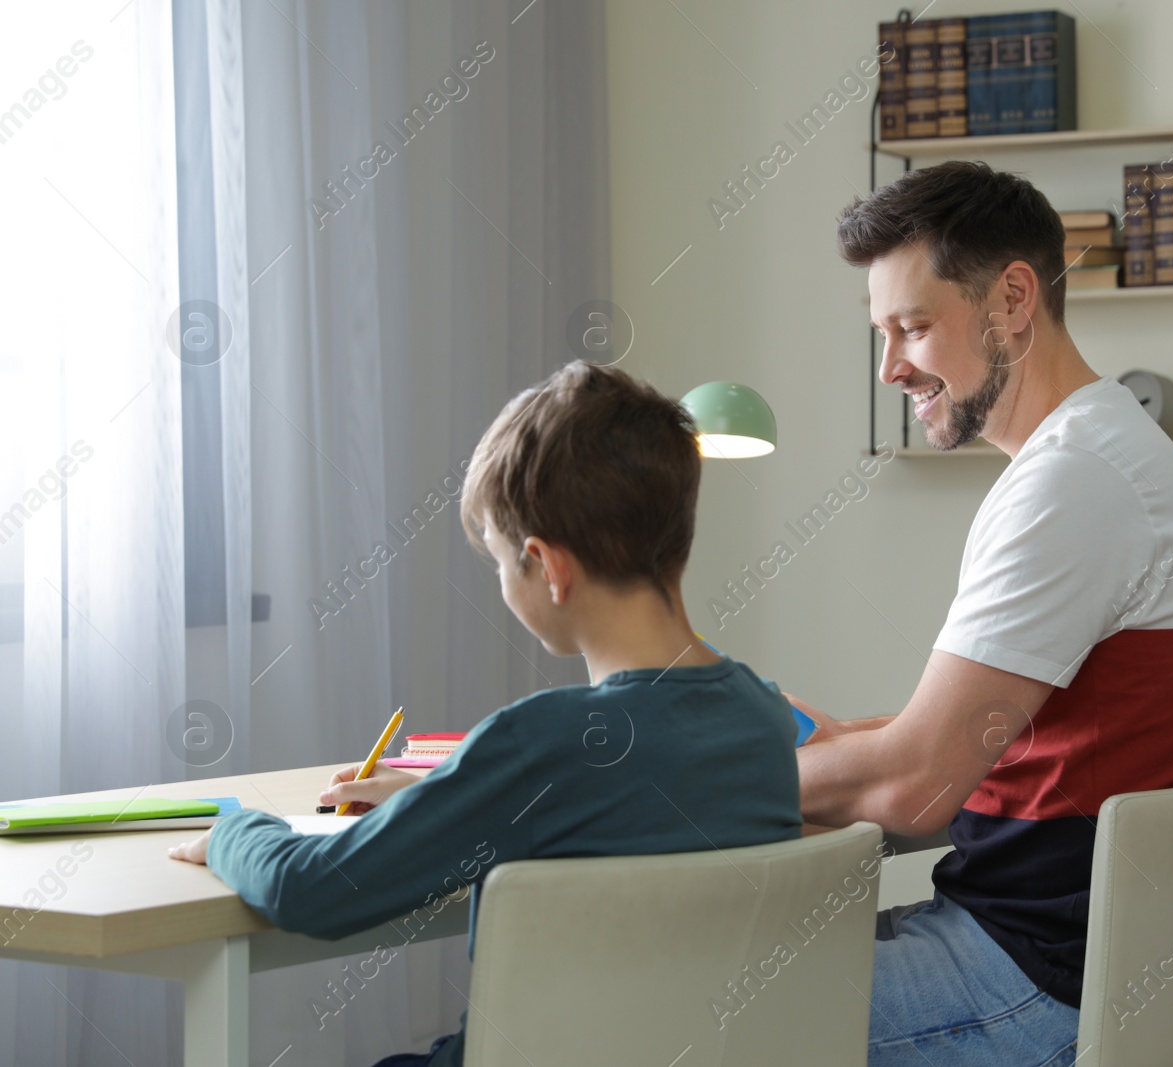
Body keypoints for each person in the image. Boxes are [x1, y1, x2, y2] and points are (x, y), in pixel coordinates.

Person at [169, 361, 804, 1067]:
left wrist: (234, 831)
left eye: (502, 561)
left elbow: (308, 891)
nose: (503, 581)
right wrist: (447, 798)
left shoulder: (538, 743)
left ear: (548, 565)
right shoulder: (762, 716)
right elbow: (625, 804)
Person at [792, 161, 1173, 1066]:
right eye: (882, 334)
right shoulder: (1099, 450)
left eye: (913, 328)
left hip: (1029, 982)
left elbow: (916, 784)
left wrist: (682, 781)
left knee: (619, 1015)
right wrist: (848, 749)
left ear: (1010, 300)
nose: (890, 367)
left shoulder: (1073, 482)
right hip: (1061, 957)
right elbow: (987, 740)